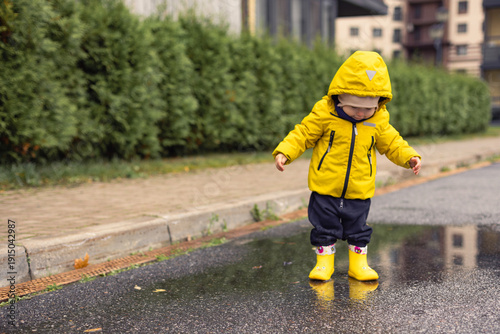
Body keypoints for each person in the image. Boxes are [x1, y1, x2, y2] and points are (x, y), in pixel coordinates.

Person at [273, 51, 421, 282]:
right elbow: (303, 134)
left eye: (368, 108)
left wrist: (409, 157)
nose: (361, 112)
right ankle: (324, 264)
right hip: (325, 187)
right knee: (324, 228)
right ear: (339, 97)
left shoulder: (378, 120)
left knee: (358, 229)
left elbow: (393, 143)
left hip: (359, 188)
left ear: (379, 102)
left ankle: (358, 265)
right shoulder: (325, 113)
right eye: (354, 106)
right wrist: (285, 151)